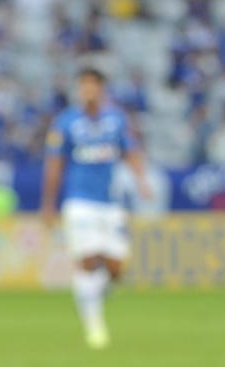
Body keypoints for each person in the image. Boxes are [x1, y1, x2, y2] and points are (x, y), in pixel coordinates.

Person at [41, 67, 151, 349]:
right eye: (84, 86)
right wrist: (49, 203)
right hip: (79, 202)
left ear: (102, 89)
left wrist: (141, 180)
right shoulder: (65, 122)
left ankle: (89, 295)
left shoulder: (116, 119)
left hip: (111, 203)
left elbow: (131, 151)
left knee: (115, 268)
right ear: (79, 90)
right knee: (88, 261)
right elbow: (55, 164)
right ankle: (94, 326)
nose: (88, 91)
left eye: (93, 86)